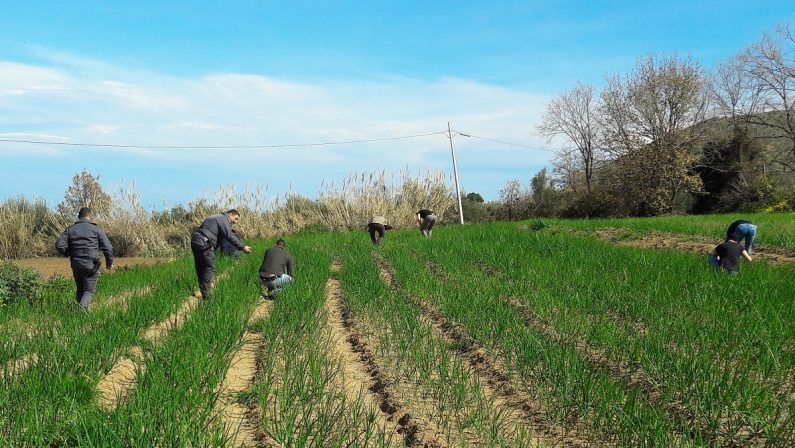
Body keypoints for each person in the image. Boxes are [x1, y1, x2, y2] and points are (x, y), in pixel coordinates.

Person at [55, 207, 114, 312]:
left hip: (76, 264)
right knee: (89, 290)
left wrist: (67, 253)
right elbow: (108, 247)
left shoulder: (70, 229)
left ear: (79, 217)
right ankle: (81, 312)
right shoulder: (97, 230)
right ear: (90, 216)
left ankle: (78, 317)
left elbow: (59, 245)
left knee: (80, 289)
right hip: (91, 265)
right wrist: (109, 263)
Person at [191, 209, 252, 298]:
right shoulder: (223, 219)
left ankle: (203, 290)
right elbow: (230, 235)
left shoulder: (214, 217)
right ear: (230, 215)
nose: (236, 222)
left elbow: (216, 237)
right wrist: (242, 247)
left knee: (200, 266)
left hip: (195, 240)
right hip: (205, 241)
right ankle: (207, 295)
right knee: (209, 267)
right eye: (236, 219)